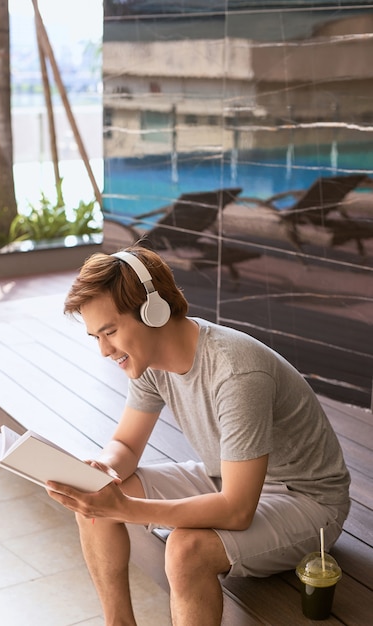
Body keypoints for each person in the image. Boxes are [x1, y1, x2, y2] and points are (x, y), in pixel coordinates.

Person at [46, 245, 350, 626]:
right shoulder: (149, 360)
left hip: (308, 503)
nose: (105, 350)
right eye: (96, 337)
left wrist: (124, 507)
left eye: (110, 331)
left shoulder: (236, 374)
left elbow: (237, 511)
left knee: (185, 549)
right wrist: (103, 470)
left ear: (152, 311)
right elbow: (124, 445)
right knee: (91, 496)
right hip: (228, 476)